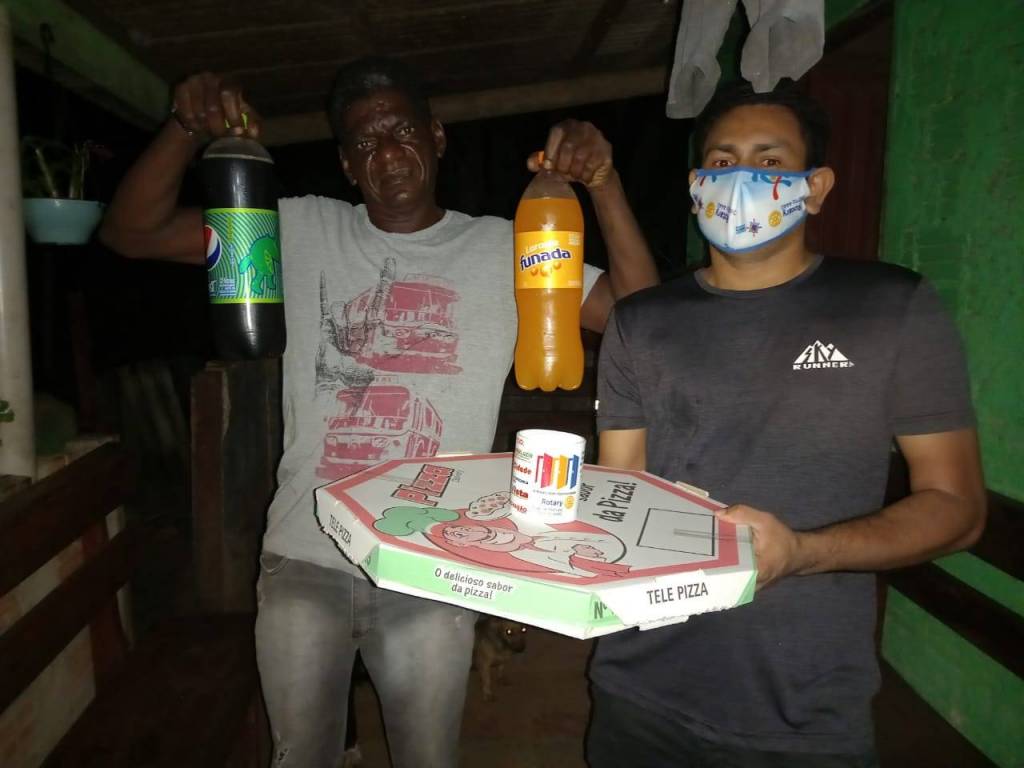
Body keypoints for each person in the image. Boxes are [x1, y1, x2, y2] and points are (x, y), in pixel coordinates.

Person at [99, 58, 658, 767]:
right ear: (345, 164)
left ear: (437, 136)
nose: (386, 153)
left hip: (433, 564)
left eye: (401, 131)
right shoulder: (295, 229)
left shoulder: (508, 247)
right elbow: (133, 232)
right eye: (364, 142)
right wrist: (184, 128)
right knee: (302, 757)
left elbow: (641, 318)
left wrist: (602, 183)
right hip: (305, 557)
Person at [590, 81, 986, 767]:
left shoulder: (891, 307)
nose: (740, 179)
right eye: (722, 161)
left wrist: (801, 551)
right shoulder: (640, 322)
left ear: (816, 188)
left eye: (769, 162)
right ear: (696, 185)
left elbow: (958, 509)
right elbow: (618, 494)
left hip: (802, 707)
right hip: (638, 685)